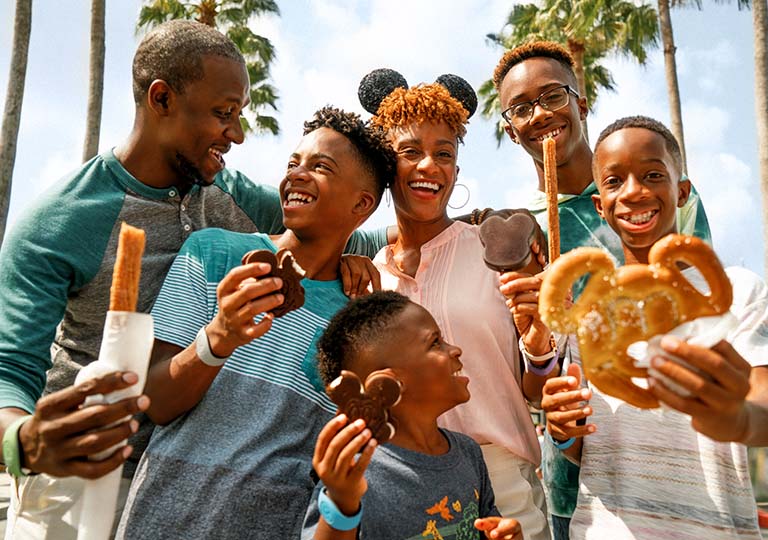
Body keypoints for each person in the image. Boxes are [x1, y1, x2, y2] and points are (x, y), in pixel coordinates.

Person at [0, 20, 384, 539]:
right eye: (224, 114)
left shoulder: (226, 193)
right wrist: (22, 442)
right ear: (161, 99)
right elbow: (9, 369)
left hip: (175, 476)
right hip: (78, 470)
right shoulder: (63, 219)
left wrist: (369, 257)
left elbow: (337, 225)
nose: (237, 134)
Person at [116, 106, 396, 539]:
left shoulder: (361, 317)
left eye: (321, 167)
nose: (297, 175)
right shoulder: (212, 254)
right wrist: (218, 338)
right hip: (163, 520)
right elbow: (155, 400)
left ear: (362, 204)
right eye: (293, 163)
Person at [489, 41, 714, 538]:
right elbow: (536, 377)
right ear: (511, 128)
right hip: (580, 476)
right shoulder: (525, 231)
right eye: (521, 108)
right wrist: (539, 329)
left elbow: (699, 308)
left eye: (552, 96)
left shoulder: (655, 194)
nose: (540, 115)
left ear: (581, 102)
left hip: (682, 458)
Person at [541, 115, 768, 539]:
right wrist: (562, 431)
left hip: (716, 528)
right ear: (599, 205)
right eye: (614, 181)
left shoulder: (736, 292)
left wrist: (740, 418)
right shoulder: (590, 311)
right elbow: (586, 447)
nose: (634, 192)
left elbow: (762, 401)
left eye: (652, 175)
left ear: (681, 191)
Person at [359, 70, 553, 540]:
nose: (429, 166)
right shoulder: (369, 277)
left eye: (443, 154)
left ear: (457, 171)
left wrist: (540, 346)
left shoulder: (498, 255)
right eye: (410, 152)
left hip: (504, 477)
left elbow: (536, 390)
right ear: (386, 164)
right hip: (399, 482)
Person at [302, 291, 524, 540]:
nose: (455, 350)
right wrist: (341, 502)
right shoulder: (355, 473)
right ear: (388, 384)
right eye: (435, 342)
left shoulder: (468, 452)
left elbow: (487, 526)